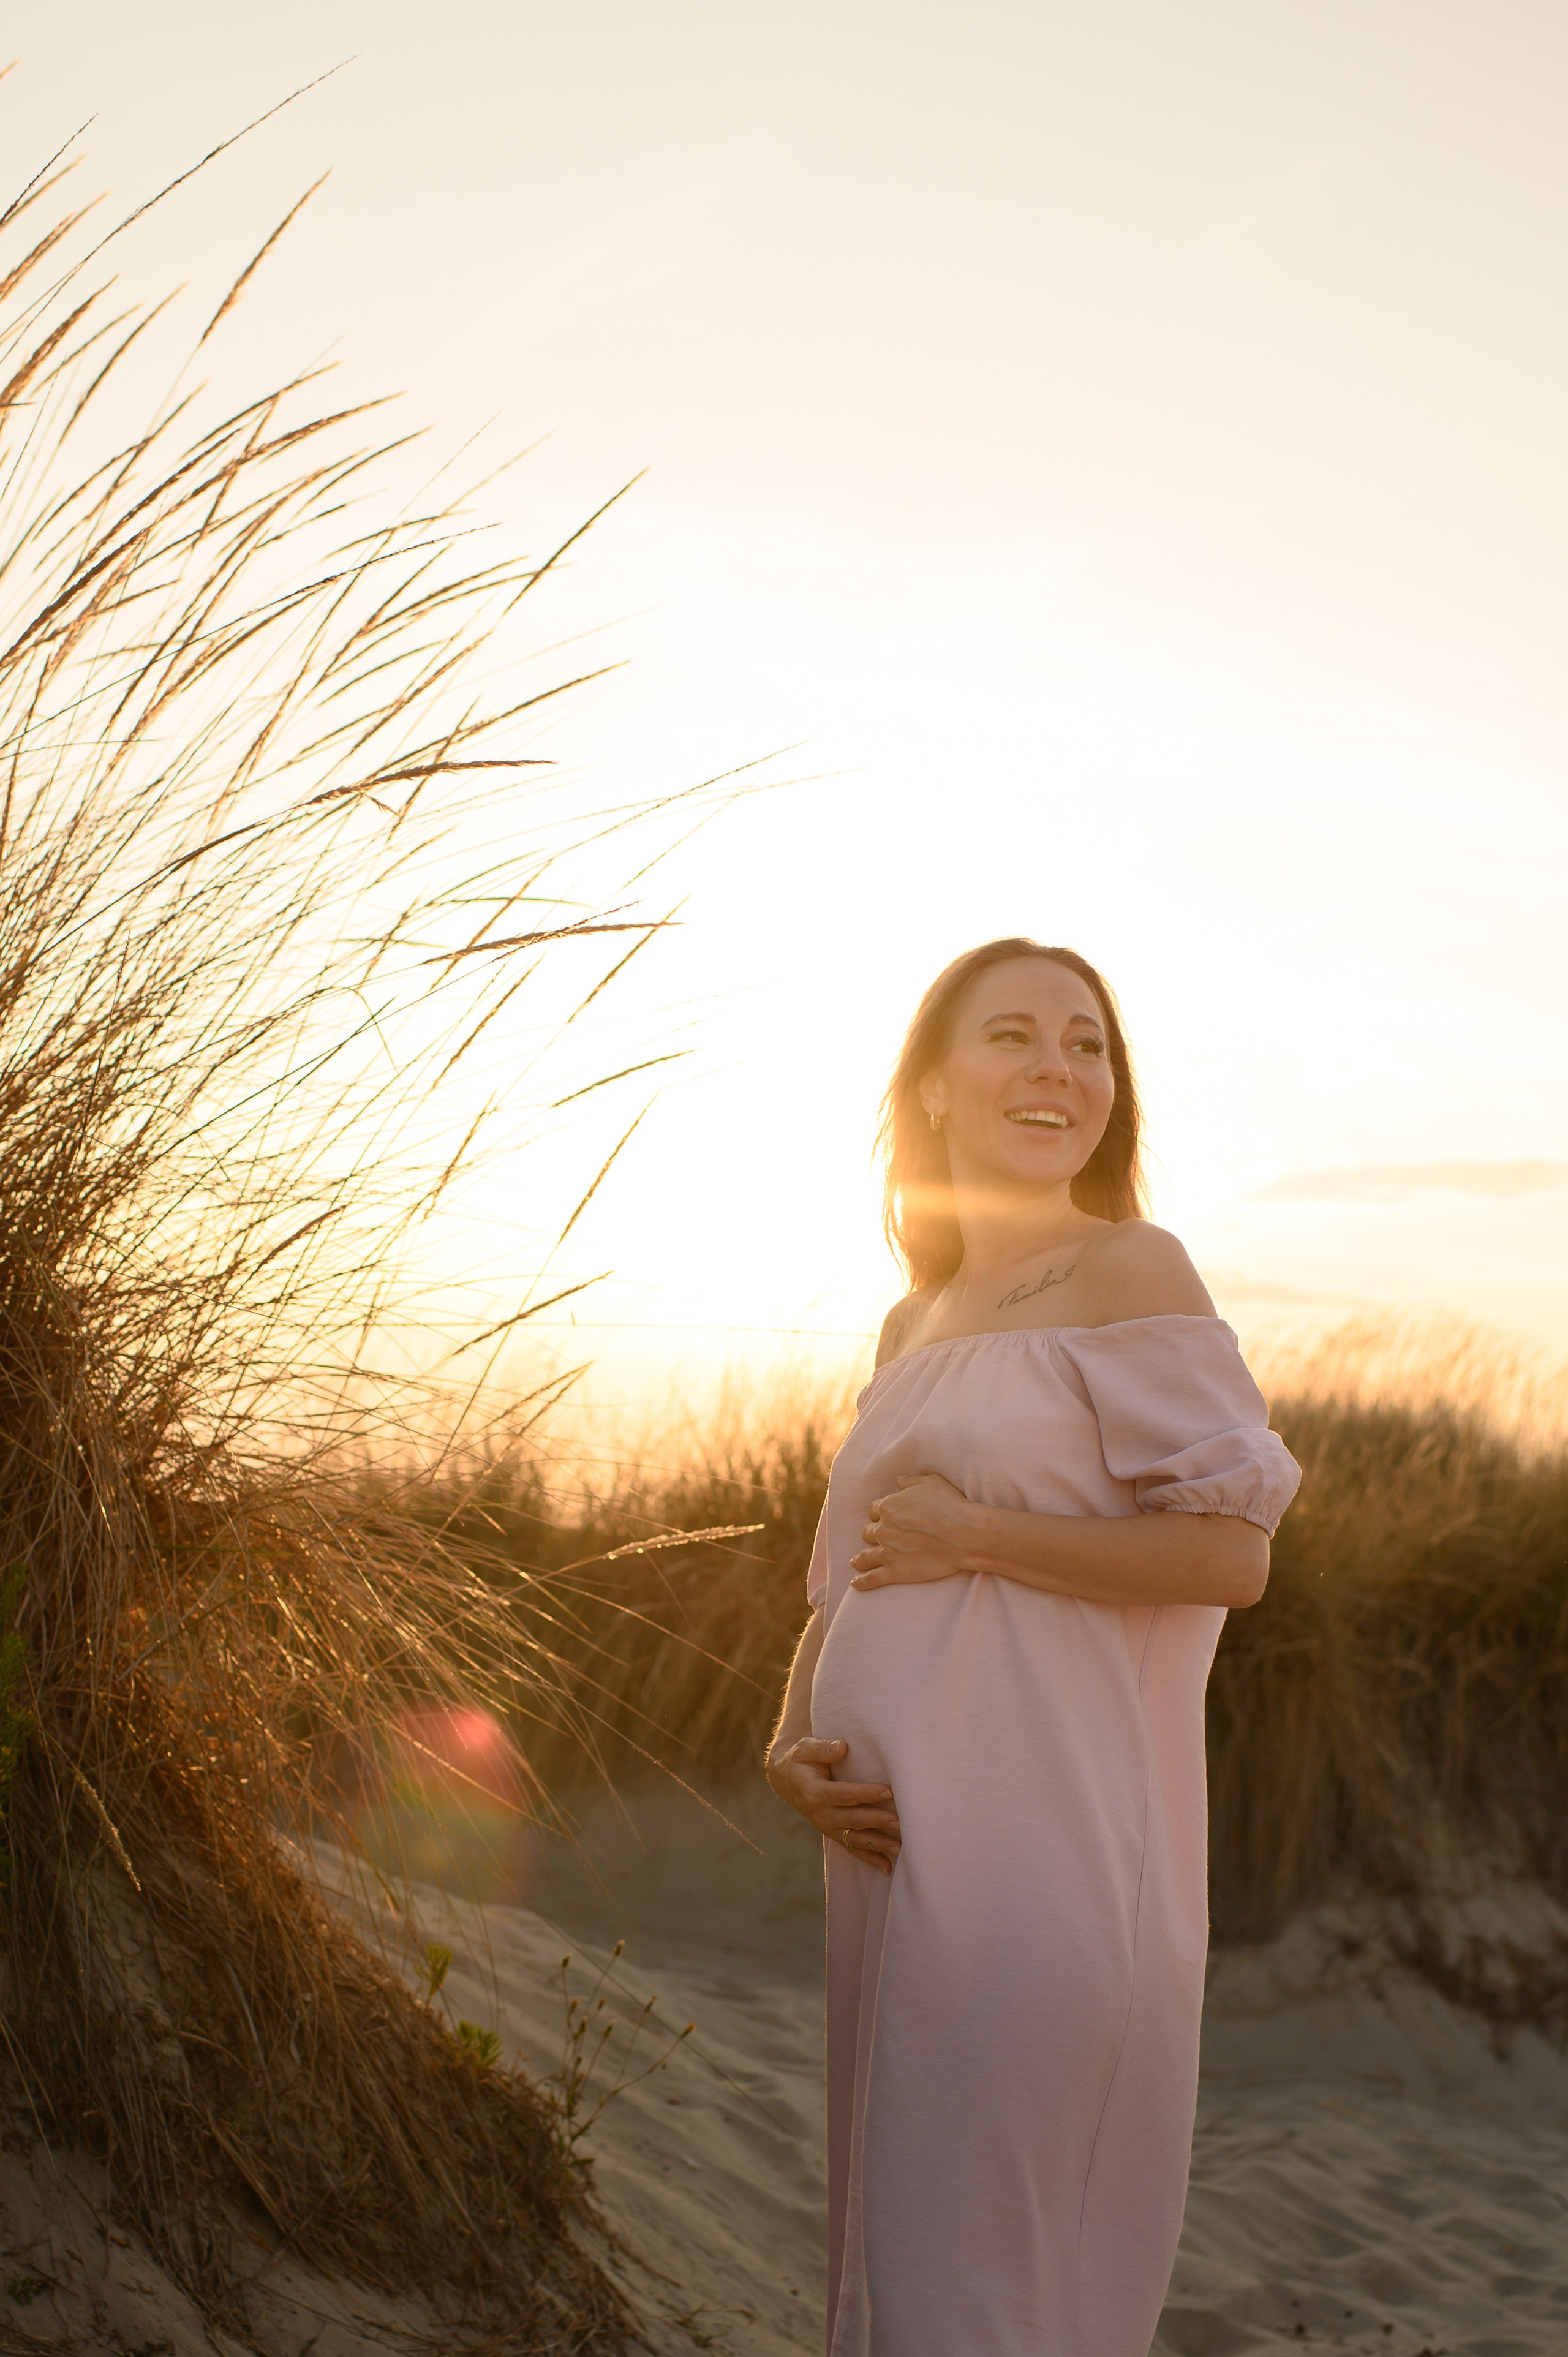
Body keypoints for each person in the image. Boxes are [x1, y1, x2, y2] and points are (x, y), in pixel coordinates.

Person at [765, 938, 1301, 2357]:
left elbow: (1227, 1552)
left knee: (983, 2279)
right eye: (1012, 1035)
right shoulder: (908, 1322)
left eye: (1086, 1044)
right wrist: (785, 1744)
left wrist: (979, 1537)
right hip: (889, 1855)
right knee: (897, 2253)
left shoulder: (1128, 1264)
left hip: (1047, 1856)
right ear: (931, 1088)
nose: (1056, 1068)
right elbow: (839, 1581)